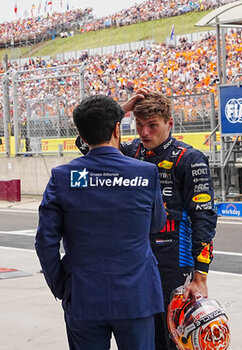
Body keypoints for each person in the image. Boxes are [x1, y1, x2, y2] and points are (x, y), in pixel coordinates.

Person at [76, 90, 217, 350]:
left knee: (172, 338)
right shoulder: (130, 152)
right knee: (142, 339)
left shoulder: (189, 158)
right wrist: (120, 110)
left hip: (174, 264)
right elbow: (87, 142)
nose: (144, 133)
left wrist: (201, 276)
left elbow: (204, 219)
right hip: (135, 262)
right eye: (139, 125)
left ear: (169, 124)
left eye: (152, 125)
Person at [35, 94, 167, 350]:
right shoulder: (145, 172)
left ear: (82, 137)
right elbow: (155, 225)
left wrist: (62, 286)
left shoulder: (65, 177)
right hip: (136, 297)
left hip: (84, 296)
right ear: (118, 128)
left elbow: (45, 242)